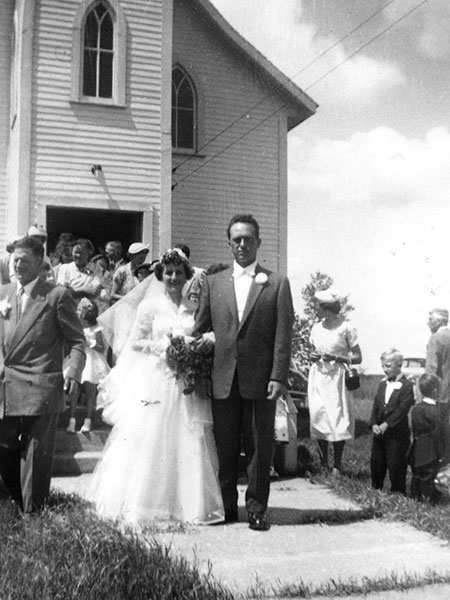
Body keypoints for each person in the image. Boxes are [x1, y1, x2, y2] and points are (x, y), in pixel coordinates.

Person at [89, 248, 224, 526]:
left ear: (186, 276)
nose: (173, 277)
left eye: (178, 273)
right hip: (157, 378)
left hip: (186, 381)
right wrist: (163, 346)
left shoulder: (193, 307)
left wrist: (196, 344)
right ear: (160, 275)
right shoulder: (149, 306)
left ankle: (190, 506)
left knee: (189, 438)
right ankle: (147, 504)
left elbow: (201, 334)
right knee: (152, 439)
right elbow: (135, 343)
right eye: (168, 273)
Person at [194, 214, 294, 531]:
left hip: (261, 380)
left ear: (258, 243)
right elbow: (200, 332)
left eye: (248, 238)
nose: (242, 244)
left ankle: (256, 508)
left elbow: (283, 335)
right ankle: (226, 507)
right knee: (224, 448)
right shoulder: (213, 283)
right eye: (237, 239)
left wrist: (278, 376)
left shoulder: (276, 283)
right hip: (222, 380)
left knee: (258, 447)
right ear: (229, 243)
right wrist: (196, 370)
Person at [0, 236, 85, 512]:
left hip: (41, 384)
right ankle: (16, 499)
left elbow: (77, 341)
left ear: (40, 261)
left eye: (24, 259)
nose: (18, 264)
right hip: (6, 383)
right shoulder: (3, 293)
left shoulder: (56, 295)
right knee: (4, 447)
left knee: (36, 454)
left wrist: (73, 371)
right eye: (15, 259)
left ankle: (32, 513)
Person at [307, 288, 362, 476]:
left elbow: (358, 357)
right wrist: (314, 356)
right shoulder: (316, 328)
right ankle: (324, 463)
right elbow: (313, 351)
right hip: (319, 375)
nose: (316, 311)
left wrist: (337, 358)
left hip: (337, 377)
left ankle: (337, 465)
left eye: (319, 307)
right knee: (319, 414)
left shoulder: (345, 327)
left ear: (328, 308)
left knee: (337, 417)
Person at [370, 348, 414, 494]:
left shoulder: (407, 386)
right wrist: (374, 423)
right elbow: (376, 405)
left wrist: (387, 424)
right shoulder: (383, 384)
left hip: (396, 433)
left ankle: (398, 491)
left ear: (399, 365)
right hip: (379, 432)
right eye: (383, 366)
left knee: (396, 463)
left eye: (388, 366)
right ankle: (376, 487)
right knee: (377, 461)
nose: (384, 369)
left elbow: (402, 410)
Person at [66, 298, 110, 434]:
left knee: (90, 388)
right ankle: (72, 420)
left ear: (87, 313)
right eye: (78, 309)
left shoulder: (97, 328)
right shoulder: (76, 326)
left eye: (80, 309)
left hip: (92, 359)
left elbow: (101, 347)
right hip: (79, 358)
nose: (78, 312)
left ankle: (88, 419)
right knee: (75, 387)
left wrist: (88, 341)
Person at [409, 373, 445, 503]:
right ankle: (428, 501)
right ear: (435, 391)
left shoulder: (417, 408)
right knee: (429, 476)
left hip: (417, 448)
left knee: (417, 475)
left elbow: (414, 429)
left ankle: (414, 498)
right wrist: (442, 452)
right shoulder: (436, 411)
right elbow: (437, 433)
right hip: (431, 450)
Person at [425, 308, 450, 459]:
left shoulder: (436, 338)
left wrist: (425, 395)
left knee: (437, 434)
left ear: (439, 321)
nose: (428, 323)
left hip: (438, 394)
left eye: (430, 319)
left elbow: (431, 369)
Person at [56, 238, 102, 304]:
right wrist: (84, 290)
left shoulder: (95, 269)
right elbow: (61, 292)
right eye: (76, 252)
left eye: (81, 253)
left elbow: (95, 292)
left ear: (88, 253)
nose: (78, 256)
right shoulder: (65, 268)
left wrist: (72, 290)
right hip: (69, 308)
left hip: (88, 310)